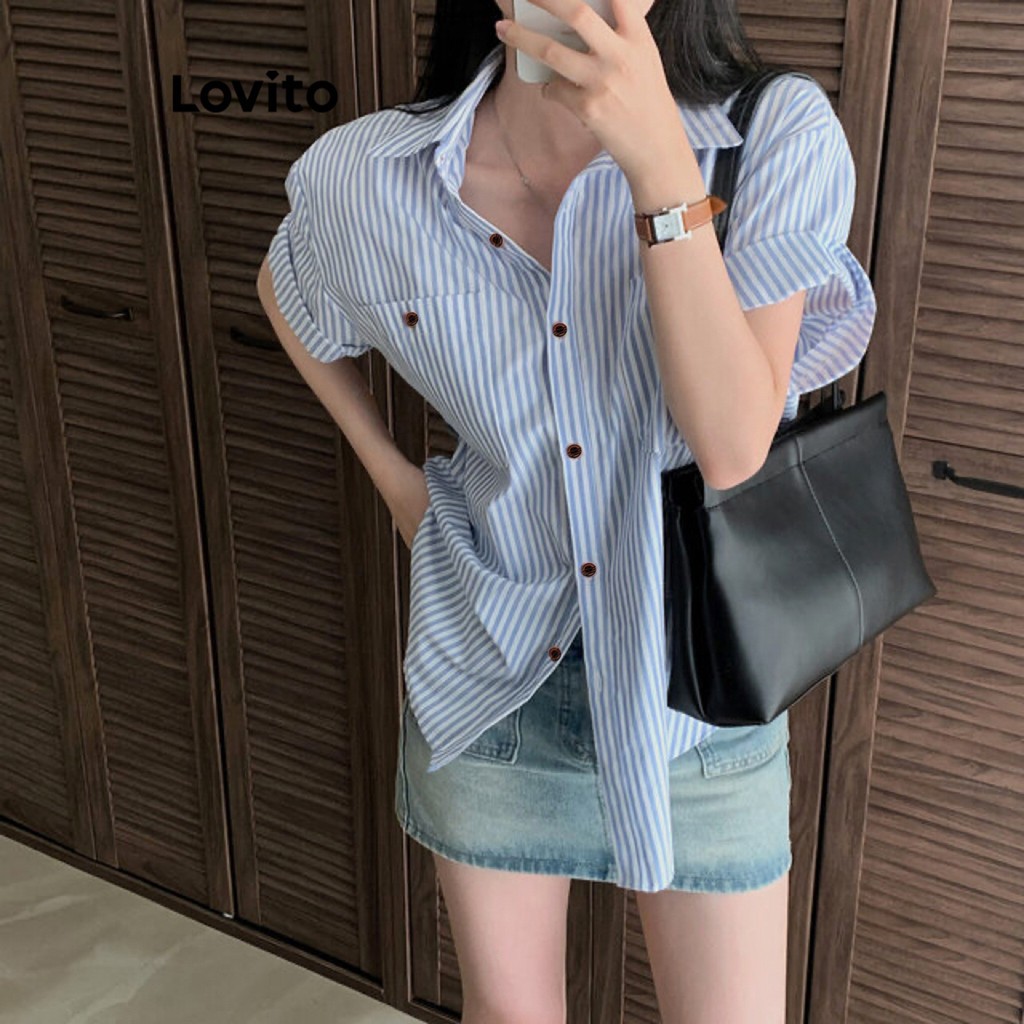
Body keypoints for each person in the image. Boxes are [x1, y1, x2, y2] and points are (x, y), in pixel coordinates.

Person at [258, 0, 877, 1020]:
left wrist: (661, 172)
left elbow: (730, 444)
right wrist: (398, 481)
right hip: (490, 679)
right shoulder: (372, 172)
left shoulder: (772, 134)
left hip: (698, 703)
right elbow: (287, 290)